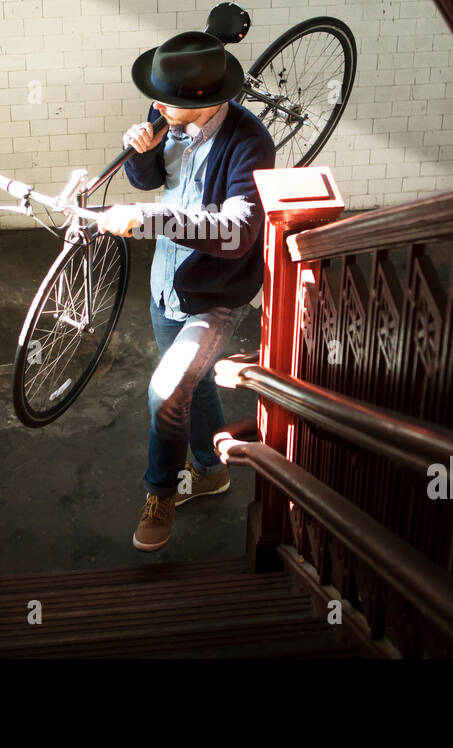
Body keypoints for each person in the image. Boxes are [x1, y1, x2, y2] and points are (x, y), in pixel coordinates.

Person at [96, 29, 276, 551]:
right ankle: (210, 471)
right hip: (166, 287)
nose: (156, 106)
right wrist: (142, 153)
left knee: (166, 392)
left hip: (215, 296)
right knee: (192, 386)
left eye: (167, 101)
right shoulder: (168, 118)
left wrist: (150, 219)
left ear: (208, 102)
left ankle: (160, 492)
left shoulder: (250, 143)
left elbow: (239, 231)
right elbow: (151, 184)